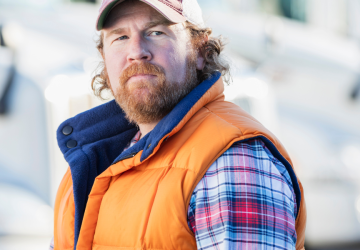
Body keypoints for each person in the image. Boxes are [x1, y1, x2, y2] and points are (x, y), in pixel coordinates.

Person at [52, 0, 306, 249]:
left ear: (199, 51)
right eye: (120, 37)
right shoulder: (90, 161)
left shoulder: (233, 161)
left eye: (156, 32)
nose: (136, 51)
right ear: (104, 58)